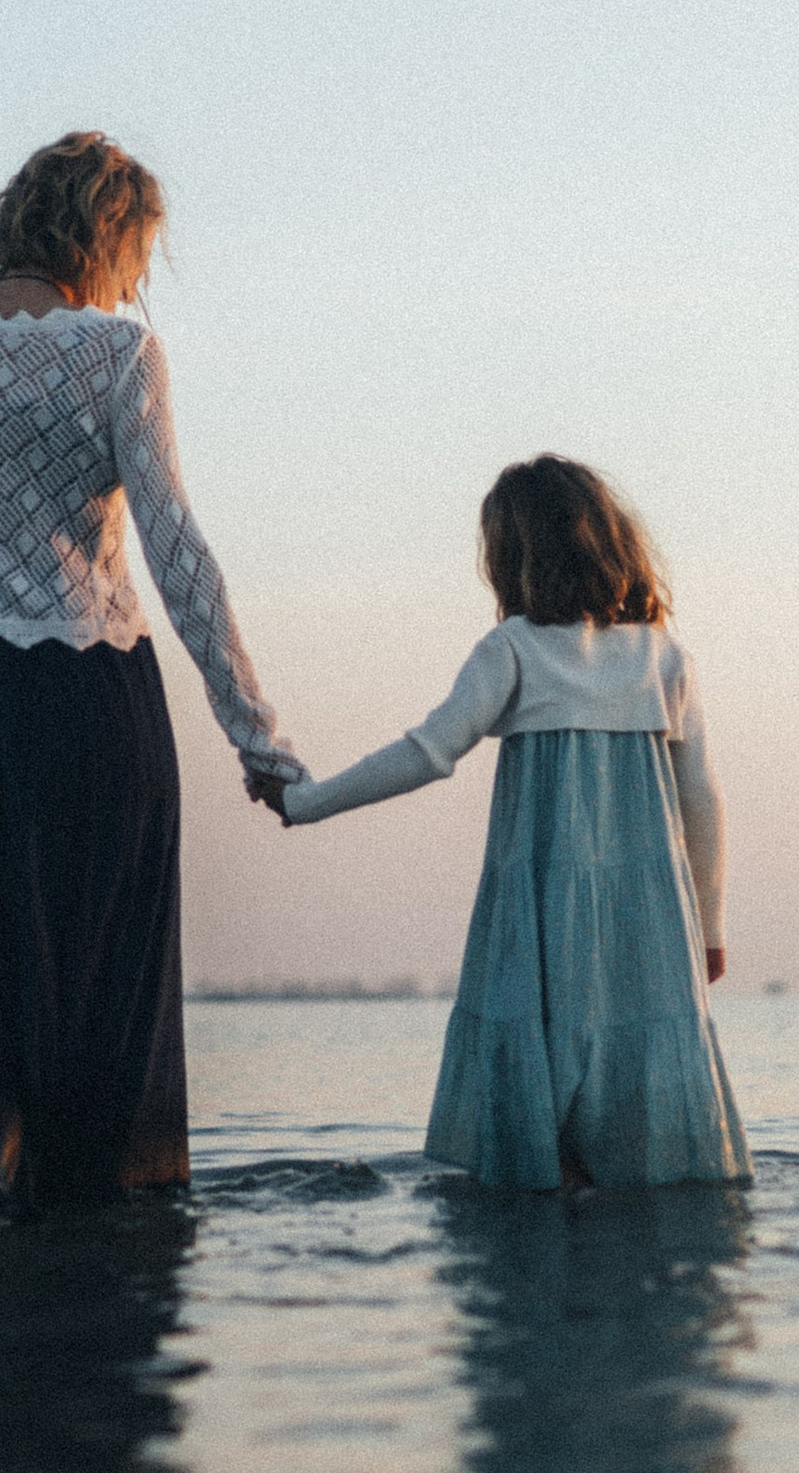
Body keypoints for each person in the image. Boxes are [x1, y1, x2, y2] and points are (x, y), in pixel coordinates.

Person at [0, 131, 305, 1222]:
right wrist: (258, 738)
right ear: (107, 240)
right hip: (93, 704)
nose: (135, 285)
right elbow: (176, 550)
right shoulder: (117, 356)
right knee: (106, 1004)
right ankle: (108, 1294)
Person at [256, 454, 749, 1191]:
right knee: (638, 1117)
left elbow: (427, 752)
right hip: (649, 920)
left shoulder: (513, 648)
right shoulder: (663, 656)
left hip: (541, 907)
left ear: (511, 557)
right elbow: (702, 799)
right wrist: (708, 929)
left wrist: (305, 801)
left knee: (539, 1121)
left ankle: (547, 1244)